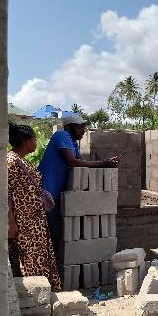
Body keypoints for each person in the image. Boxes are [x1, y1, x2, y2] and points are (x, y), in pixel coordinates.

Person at [38, 114, 120, 266]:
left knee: (57, 234)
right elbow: (72, 162)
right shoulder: (61, 135)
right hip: (45, 193)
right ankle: (45, 271)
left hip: (55, 196)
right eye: (79, 127)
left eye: (84, 126)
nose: (83, 130)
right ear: (68, 127)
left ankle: (50, 270)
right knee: (52, 234)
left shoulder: (73, 144)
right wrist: (103, 163)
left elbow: (82, 164)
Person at [7, 122, 62, 291]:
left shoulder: (19, 160)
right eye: (33, 139)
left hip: (33, 222)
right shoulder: (10, 161)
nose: (36, 143)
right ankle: (34, 297)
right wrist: (11, 222)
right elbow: (5, 193)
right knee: (29, 261)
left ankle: (42, 296)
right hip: (24, 224)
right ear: (25, 141)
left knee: (38, 258)